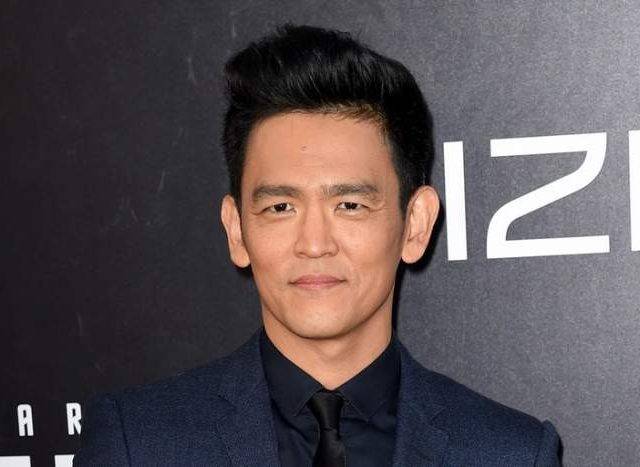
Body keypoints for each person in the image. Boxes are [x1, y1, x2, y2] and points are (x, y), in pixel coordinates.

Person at [74, 24, 561, 466]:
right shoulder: (137, 444)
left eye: (349, 205)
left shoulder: (511, 453)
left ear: (415, 224)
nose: (313, 244)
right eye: (280, 207)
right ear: (237, 230)